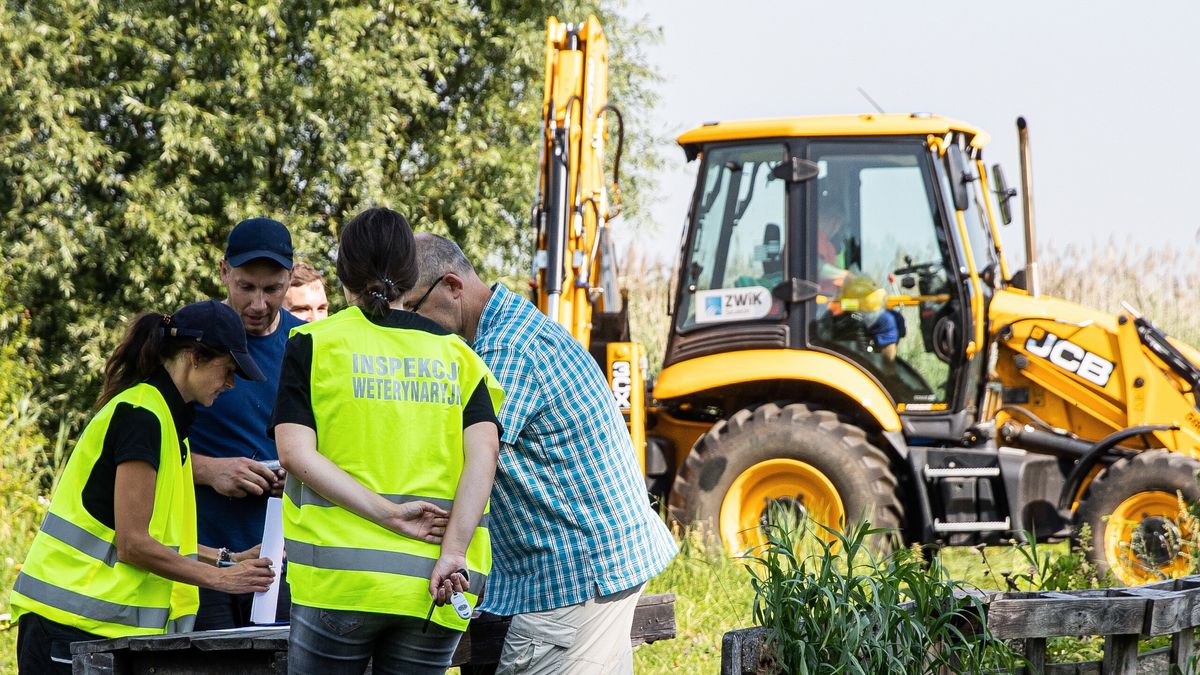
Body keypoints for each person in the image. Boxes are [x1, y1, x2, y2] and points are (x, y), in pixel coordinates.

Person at [406, 233, 678, 675]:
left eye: (413, 309)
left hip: (574, 577)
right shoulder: (508, 325)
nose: (411, 325)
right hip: (597, 563)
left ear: (452, 287)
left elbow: (451, 458)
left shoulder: (504, 350)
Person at [273, 207, 503, 674]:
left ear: (343, 276)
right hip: (436, 584)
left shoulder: (314, 345)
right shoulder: (458, 355)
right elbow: (485, 457)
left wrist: (391, 516)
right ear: (411, 274)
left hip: (338, 583)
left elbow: (295, 454)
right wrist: (454, 552)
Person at [12, 301, 276, 674]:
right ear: (194, 357)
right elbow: (133, 544)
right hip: (66, 626)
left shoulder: (167, 422)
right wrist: (222, 579)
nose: (230, 383)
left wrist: (226, 558)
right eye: (228, 370)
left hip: (87, 629)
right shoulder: (143, 417)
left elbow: (157, 539)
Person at [189, 216, 305, 629]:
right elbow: (144, 448)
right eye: (246, 287)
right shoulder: (190, 338)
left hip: (282, 560)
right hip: (198, 557)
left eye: (273, 289)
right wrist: (211, 470)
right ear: (223, 272)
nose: (259, 304)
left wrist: (297, 472)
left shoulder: (309, 345)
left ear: (290, 278)